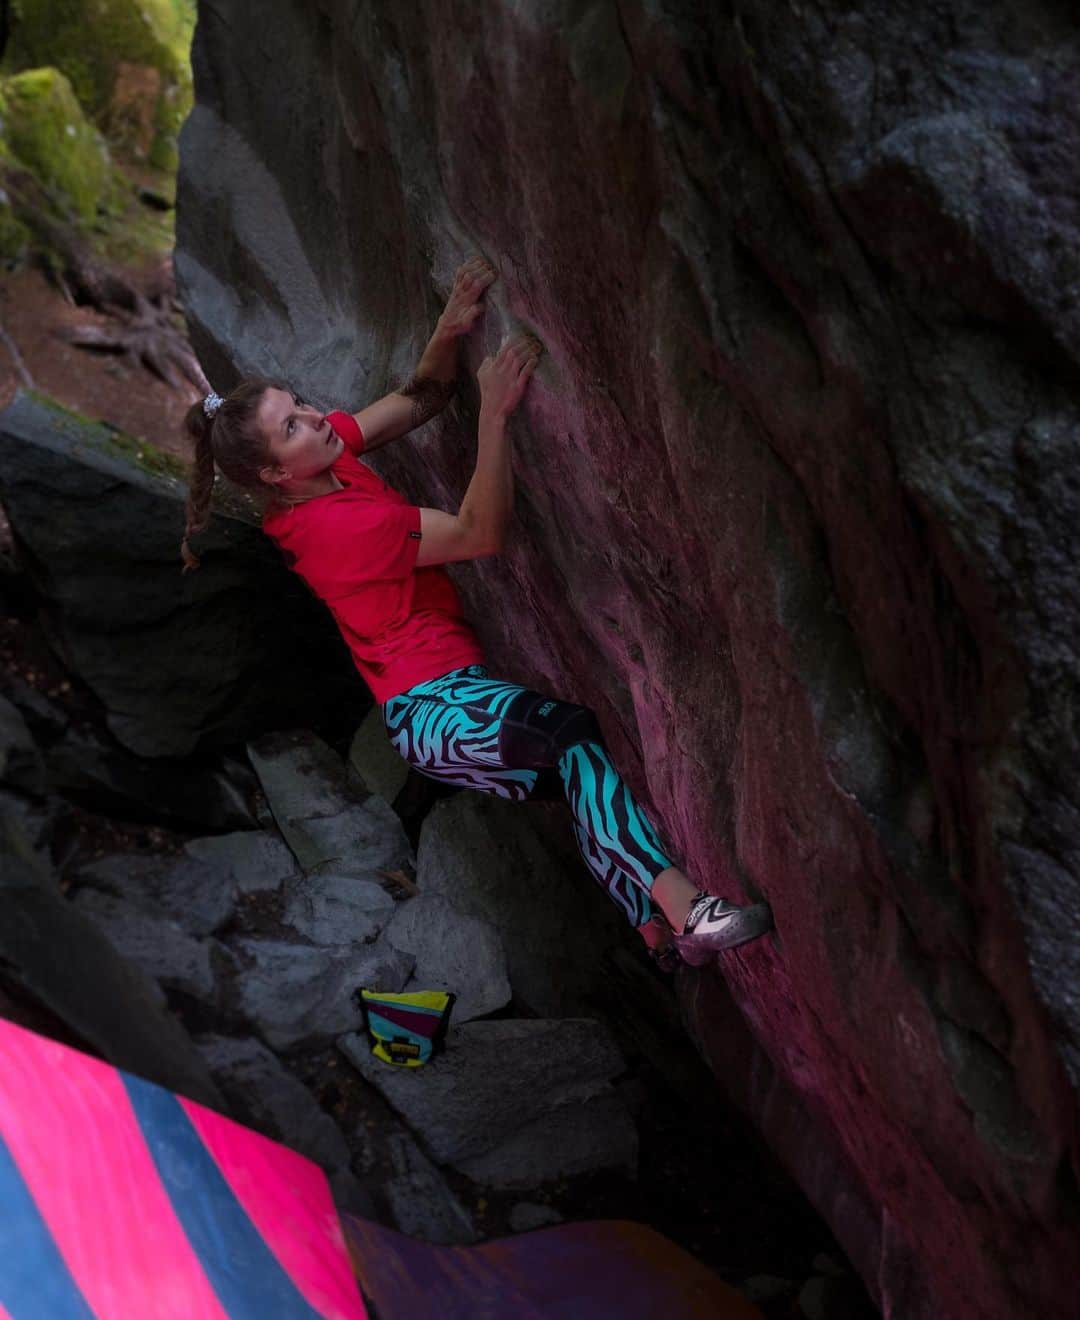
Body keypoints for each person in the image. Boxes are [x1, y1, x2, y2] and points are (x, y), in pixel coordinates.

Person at [179, 257, 774, 969]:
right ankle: (692, 914)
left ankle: (656, 935)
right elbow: (478, 534)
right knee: (567, 737)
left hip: (454, 695)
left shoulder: (325, 460)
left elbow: (420, 397)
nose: (314, 417)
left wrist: (450, 325)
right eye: (293, 426)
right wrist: (494, 415)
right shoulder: (331, 529)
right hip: (431, 711)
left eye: (301, 404)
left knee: (581, 767)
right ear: (277, 474)